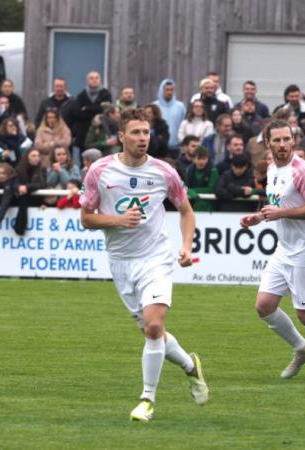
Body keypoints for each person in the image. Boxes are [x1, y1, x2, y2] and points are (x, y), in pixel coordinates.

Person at [79, 108, 208, 422]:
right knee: (154, 332)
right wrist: (117, 220)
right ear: (121, 136)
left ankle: (147, 399)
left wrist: (187, 247)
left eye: (145, 133)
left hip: (156, 259)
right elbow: (86, 219)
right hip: (122, 263)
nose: (141, 139)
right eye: (135, 133)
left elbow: (187, 211)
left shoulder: (163, 171)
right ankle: (191, 366)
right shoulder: (99, 170)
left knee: (153, 326)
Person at [239, 119, 305, 381]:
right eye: (277, 140)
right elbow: (276, 206)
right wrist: (259, 217)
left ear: (293, 140)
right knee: (264, 306)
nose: (283, 144)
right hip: (284, 249)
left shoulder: (303, 170)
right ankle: (302, 349)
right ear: (268, 143)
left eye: (287, 139)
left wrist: (280, 213)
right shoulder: (273, 168)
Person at [64, 71, 112, 152]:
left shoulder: (106, 94)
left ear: (100, 80)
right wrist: (96, 109)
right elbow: (78, 113)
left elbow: (106, 110)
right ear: (87, 81)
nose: (94, 80)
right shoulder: (81, 95)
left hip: (102, 131)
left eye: (96, 78)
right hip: (84, 133)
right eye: (91, 78)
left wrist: (87, 108)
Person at [154, 78, 186, 155]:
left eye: (171, 90)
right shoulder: (155, 106)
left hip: (175, 146)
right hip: (158, 147)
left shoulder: (180, 106)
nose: (169, 92)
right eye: (167, 90)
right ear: (162, 90)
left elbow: (184, 124)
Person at [184, 145, 219, 212]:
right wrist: (188, 191)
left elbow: (211, 189)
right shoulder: (189, 170)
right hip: (192, 202)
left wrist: (192, 191)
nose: (202, 161)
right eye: (199, 159)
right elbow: (185, 187)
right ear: (193, 159)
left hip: (208, 202)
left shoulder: (213, 171)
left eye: (204, 159)